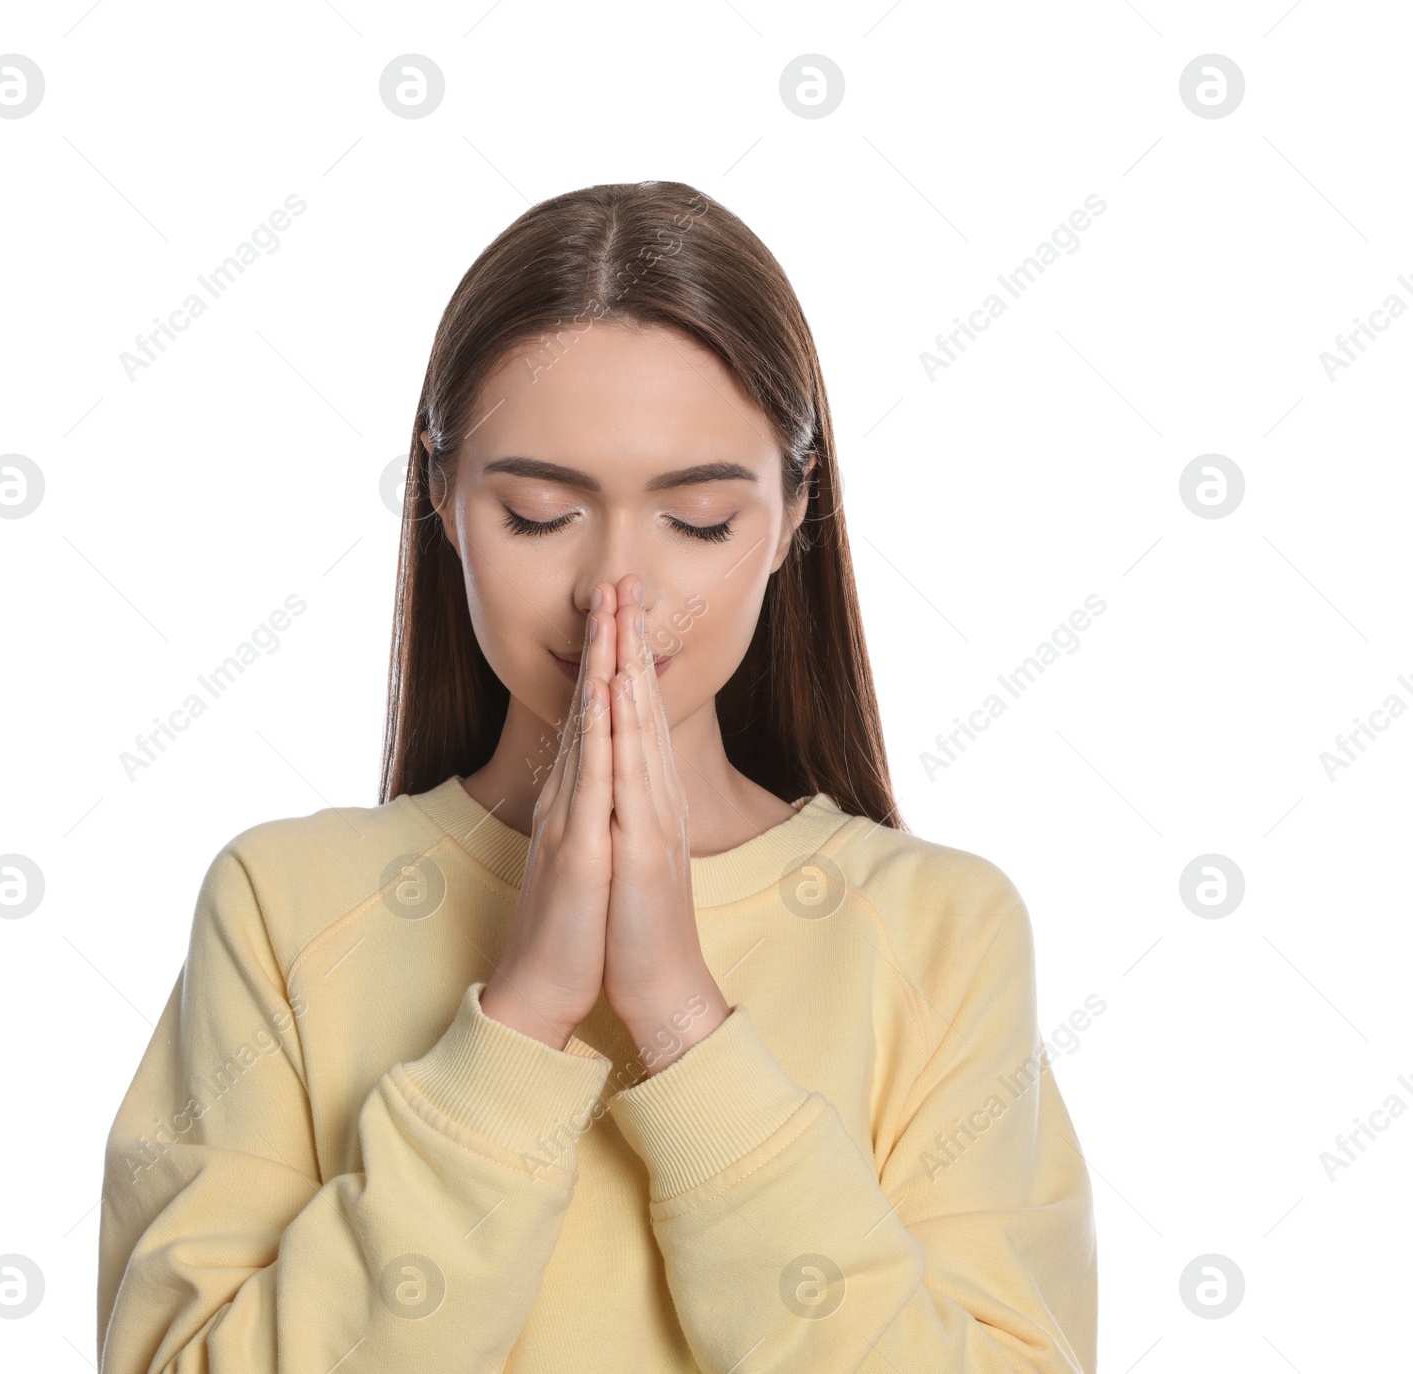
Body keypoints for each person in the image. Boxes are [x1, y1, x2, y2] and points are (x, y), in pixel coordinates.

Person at [96, 180, 1098, 1373]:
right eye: (537, 515)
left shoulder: (942, 931)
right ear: (440, 501)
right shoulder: (282, 903)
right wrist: (518, 1024)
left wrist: (682, 1017)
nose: (614, 589)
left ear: (791, 518)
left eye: (700, 522)